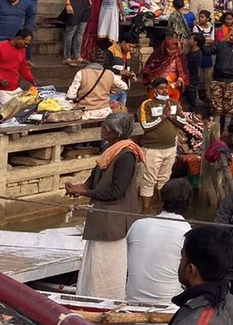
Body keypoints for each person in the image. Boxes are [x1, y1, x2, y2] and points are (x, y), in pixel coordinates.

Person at [65, 112, 144, 299]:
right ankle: (88, 298)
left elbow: (116, 191)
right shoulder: (110, 151)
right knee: (94, 265)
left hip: (114, 222)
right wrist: (77, 188)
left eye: (105, 128)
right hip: (102, 219)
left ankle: (106, 301)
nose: (102, 129)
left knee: (107, 268)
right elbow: (92, 181)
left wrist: (85, 193)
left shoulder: (126, 155)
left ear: (116, 133)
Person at [126, 178, 192, 303]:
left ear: (161, 202)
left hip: (132, 298)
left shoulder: (138, 224)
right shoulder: (186, 231)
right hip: (169, 302)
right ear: (188, 205)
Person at [169, 227, 233, 325]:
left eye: (182, 257)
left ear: (190, 269)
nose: (180, 261)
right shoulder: (232, 302)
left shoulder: (196, 320)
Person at [138, 78, 184, 211]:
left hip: (171, 147)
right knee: (149, 180)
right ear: (154, 90)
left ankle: (161, 209)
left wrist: (171, 117)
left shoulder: (174, 103)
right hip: (153, 148)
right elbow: (146, 125)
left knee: (164, 179)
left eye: (166, 88)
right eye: (161, 88)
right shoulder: (147, 105)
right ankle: (145, 210)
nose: (165, 91)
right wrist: (163, 116)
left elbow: (183, 121)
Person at [0, 29, 35, 111]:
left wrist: (31, 79)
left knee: (28, 107)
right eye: (25, 43)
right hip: (0, 89)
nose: (26, 46)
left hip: (15, 88)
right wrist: (0, 79)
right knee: (9, 111)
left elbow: (23, 67)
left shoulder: (22, 50)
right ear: (18, 38)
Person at [206, 29, 233, 133]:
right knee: (216, 106)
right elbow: (208, 51)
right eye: (231, 36)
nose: (231, 38)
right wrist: (203, 43)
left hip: (232, 82)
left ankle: (225, 130)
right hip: (217, 80)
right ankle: (216, 129)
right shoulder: (222, 45)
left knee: (229, 107)